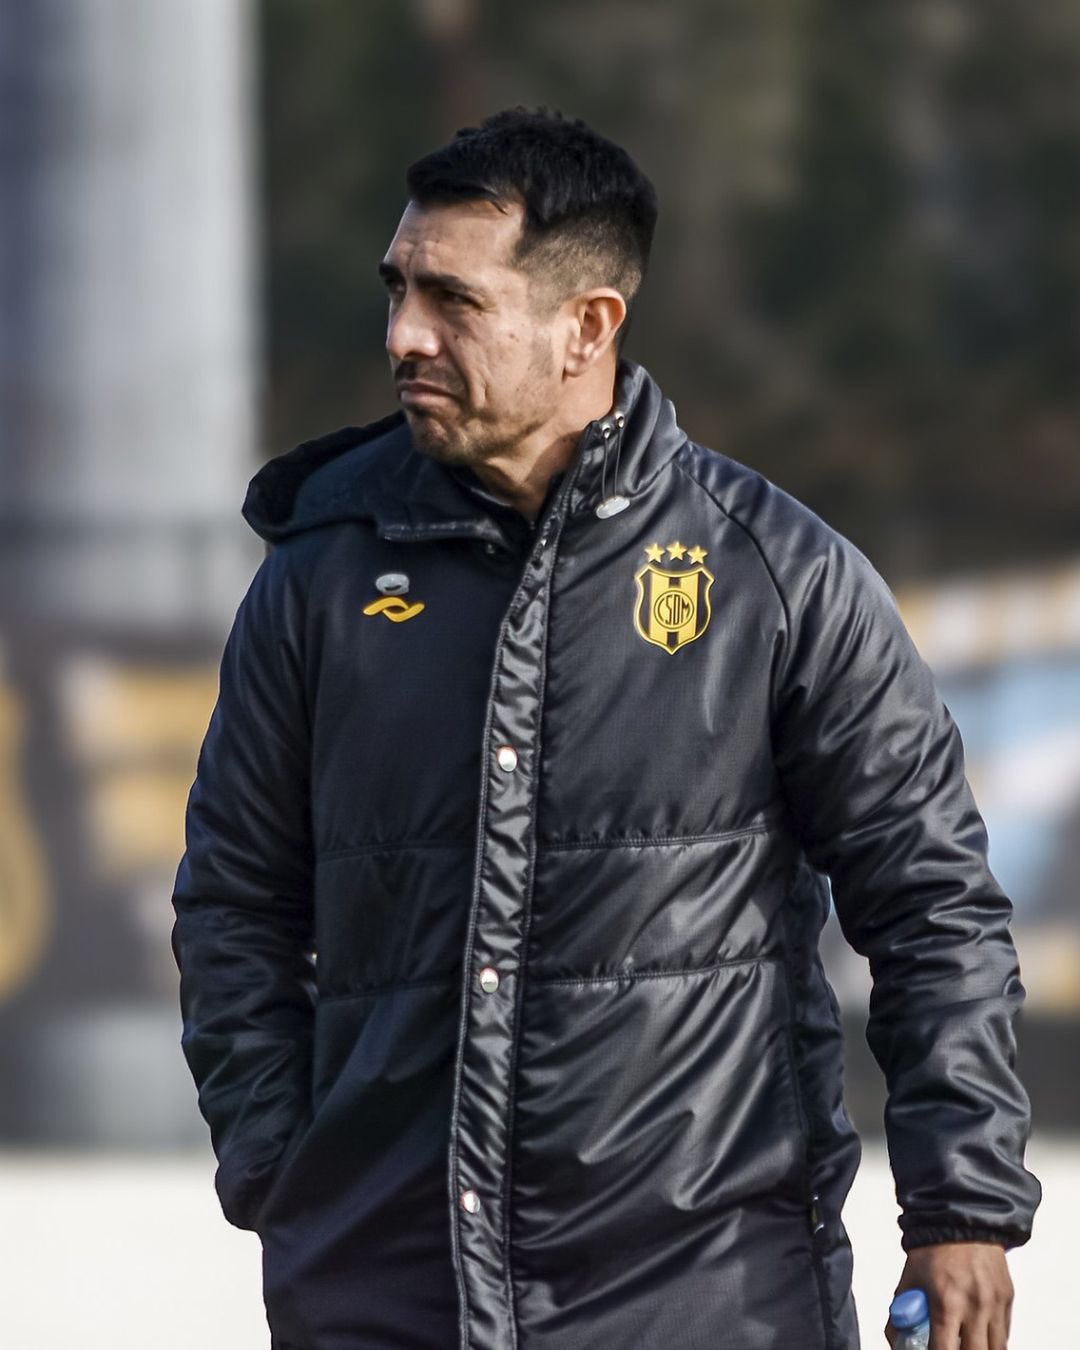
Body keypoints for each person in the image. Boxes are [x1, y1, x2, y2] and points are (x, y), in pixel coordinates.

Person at [171, 107, 1041, 1350]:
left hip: (708, 1297)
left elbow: (932, 907)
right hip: (381, 1294)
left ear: (589, 326)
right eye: (398, 290)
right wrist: (283, 1172)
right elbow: (235, 904)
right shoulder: (316, 579)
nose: (404, 334)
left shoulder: (777, 576)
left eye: (453, 301)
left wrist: (962, 1207)